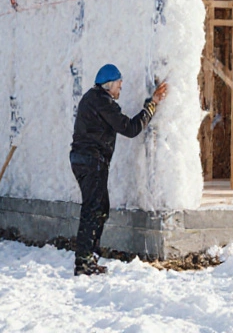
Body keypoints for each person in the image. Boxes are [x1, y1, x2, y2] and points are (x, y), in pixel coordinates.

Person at [68, 64, 168, 276]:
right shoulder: (102, 102)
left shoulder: (93, 98)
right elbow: (130, 128)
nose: (120, 90)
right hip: (90, 160)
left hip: (85, 159)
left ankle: (89, 258)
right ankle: (84, 262)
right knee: (93, 209)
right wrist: (152, 105)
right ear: (110, 84)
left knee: (100, 207)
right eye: (119, 85)